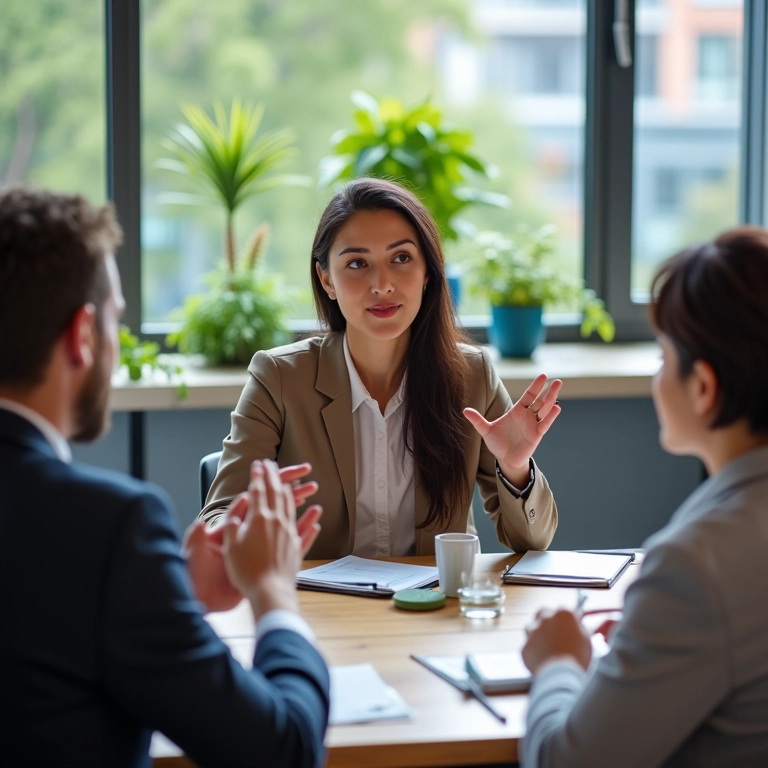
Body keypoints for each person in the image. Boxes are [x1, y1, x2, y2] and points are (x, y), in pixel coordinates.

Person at [0, 187, 329, 768]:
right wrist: (275, 592)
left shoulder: (103, 546)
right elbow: (284, 751)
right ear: (82, 335)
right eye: (116, 320)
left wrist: (169, 594)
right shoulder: (109, 527)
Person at [201, 178, 562, 558]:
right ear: (327, 279)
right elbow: (217, 517)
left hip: (434, 611)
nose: (382, 284)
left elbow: (532, 542)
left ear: (427, 272)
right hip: (322, 612)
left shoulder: (471, 375)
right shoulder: (279, 377)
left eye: (401, 258)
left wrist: (515, 468)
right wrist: (244, 524)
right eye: (357, 263)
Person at [521, 227, 768, 768]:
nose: (659, 375)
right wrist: (652, 638)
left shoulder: (696, 565)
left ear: (703, 388)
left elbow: (564, 762)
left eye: (662, 355)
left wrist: (558, 661)